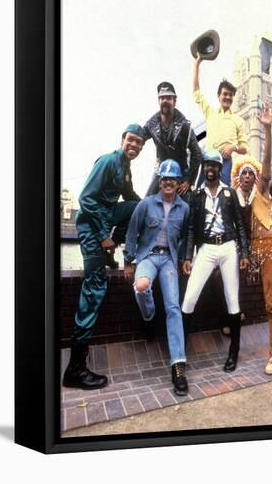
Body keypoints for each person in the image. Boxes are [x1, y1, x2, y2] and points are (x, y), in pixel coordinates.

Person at [63, 124, 145, 390]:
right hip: (89, 229)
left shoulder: (125, 167)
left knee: (137, 208)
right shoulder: (109, 161)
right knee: (95, 288)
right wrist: (102, 237)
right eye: (130, 140)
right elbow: (85, 198)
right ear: (122, 140)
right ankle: (75, 369)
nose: (134, 145)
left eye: (139, 143)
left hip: (104, 222)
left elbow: (131, 200)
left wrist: (153, 204)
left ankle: (109, 253)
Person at [123, 159, 190, 396]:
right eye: (164, 179)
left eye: (172, 179)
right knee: (141, 287)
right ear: (160, 182)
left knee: (173, 307)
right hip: (148, 257)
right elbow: (132, 233)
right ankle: (149, 315)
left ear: (178, 182)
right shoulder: (146, 205)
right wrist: (128, 261)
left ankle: (178, 367)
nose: (168, 182)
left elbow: (185, 237)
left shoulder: (184, 208)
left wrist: (184, 259)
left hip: (169, 260)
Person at [181, 149, 249, 371]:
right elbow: (191, 228)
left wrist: (245, 254)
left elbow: (240, 225)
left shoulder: (229, 193)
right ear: (204, 168)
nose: (210, 169)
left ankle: (234, 352)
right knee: (190, 297)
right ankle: (180, 352)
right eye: (207, 165)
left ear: (220, 168)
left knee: (232, 299)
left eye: (214, 165)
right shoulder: (196, 196)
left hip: (228, 247)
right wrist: (188, 256)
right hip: (206, 248)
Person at [231, 102, 272, 375]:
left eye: (252, 172)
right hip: (250, 251)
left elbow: (267, 159)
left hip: (269, 248)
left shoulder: (262, 190)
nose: (249, 175)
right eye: (244, 174)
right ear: (239, 180)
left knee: (271, 302)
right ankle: (230, 318)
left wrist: (268, 129)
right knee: (223, 275)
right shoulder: (237, 201)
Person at [193, 55, 248, 185]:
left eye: (230, 95)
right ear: (219, 96)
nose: (227, 97)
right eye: (225, 94)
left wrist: (233, 147)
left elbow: (244, 148)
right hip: (207, 160)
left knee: (223, 195)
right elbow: (196, 91)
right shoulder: (210, 113)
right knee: (200, 192)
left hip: (225, 162)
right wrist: (196, 65)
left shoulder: (238, 120)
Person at [143, 81, 202, 197]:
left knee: (186, 205)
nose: (165, 101)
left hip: (180, 172)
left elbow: (197, 154)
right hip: (161, 171)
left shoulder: (185, 126)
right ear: (159, 101)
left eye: (168, 98)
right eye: (162, 98)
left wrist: (189, 181)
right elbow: (138, 138)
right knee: (147, 201)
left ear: (174, 101)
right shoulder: (151, 124)